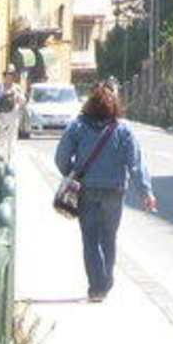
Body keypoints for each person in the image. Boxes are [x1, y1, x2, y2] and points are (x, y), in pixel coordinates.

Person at [53, 79, 158, 302]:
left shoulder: (78, 126)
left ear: (90, 103)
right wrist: (146, 192)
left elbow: (61, 157)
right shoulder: (123, 129)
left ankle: (97, 287)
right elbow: (136, 164)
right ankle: (106, 281)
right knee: (109, 237)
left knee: (90, 238)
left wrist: (72, 174)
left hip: (86, 190)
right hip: (114, 191)